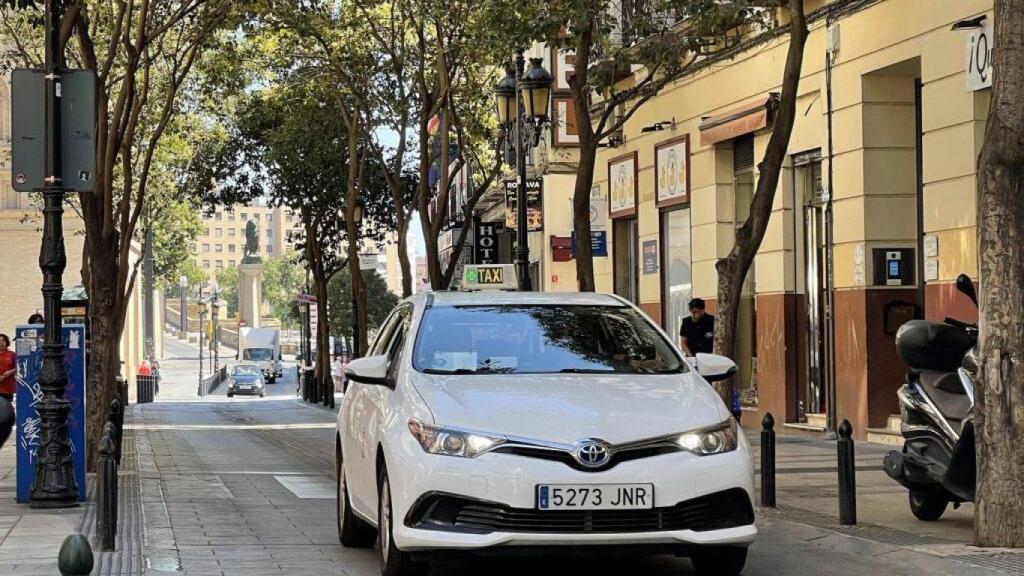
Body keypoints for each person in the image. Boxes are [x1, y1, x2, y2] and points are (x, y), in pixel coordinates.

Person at [0, 334, 16, 449]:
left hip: (7, 388)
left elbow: (19, 366)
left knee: (5, 410)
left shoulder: (12, 355)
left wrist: (10, 372)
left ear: (7, 342)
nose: (1, 343)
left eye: (3, 341)